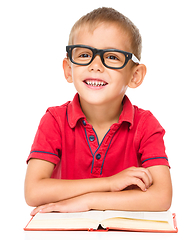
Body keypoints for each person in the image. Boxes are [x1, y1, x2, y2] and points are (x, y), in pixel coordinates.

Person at [25, 7, 172, 216]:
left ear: (135, 76)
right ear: (68, 69)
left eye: (112, 57)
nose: (95, 66)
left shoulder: (146, 125)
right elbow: (33, 192)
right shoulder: (54, 120)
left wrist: (89, 201)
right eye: (84, 54)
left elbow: (162, 196)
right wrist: (110, 183)